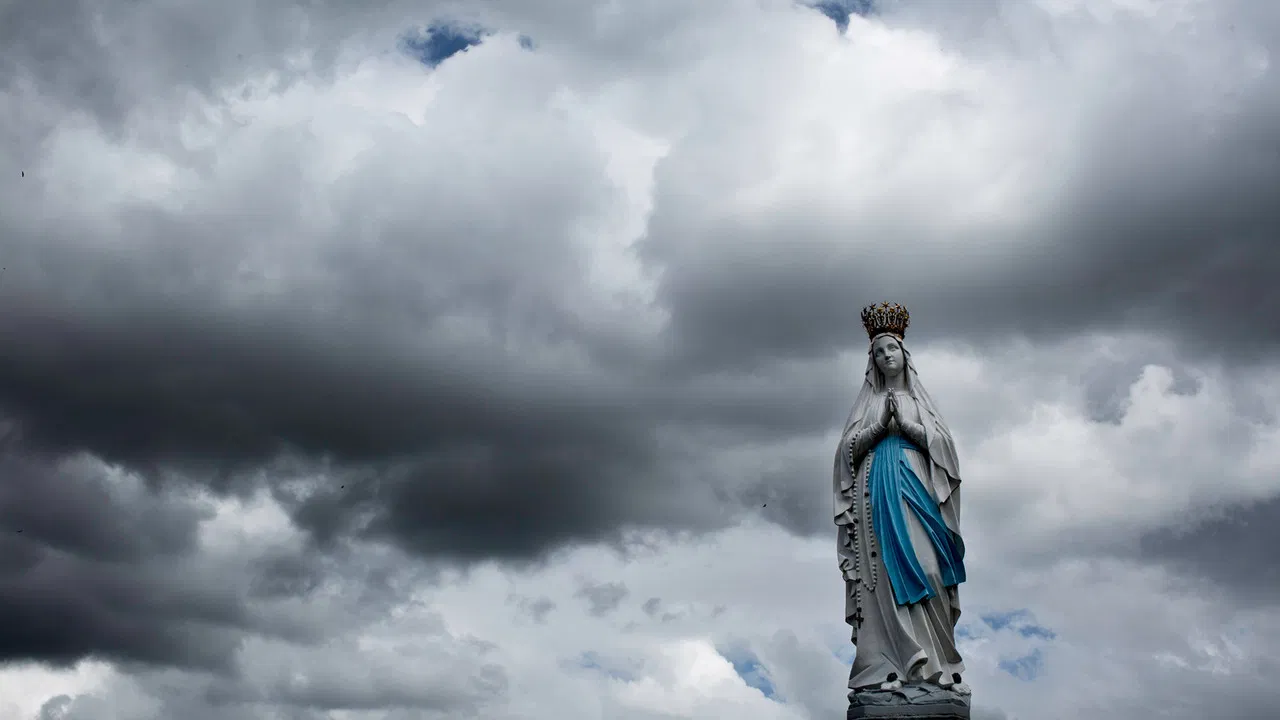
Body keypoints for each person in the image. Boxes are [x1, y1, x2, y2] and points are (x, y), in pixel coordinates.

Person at [834, 302, 970, 695]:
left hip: (917, 489)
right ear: (871, 361)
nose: (884, 355)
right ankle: (890, 666)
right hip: (876, 493)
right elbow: (845, 454)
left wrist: (908, 427)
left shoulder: (920, 401)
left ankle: (939, 665)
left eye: (890, 348)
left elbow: (946, 452)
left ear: (904, 354)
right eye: (877, 352)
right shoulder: (867, 405)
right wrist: (877, 428)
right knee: (885, 581)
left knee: (929, 569)